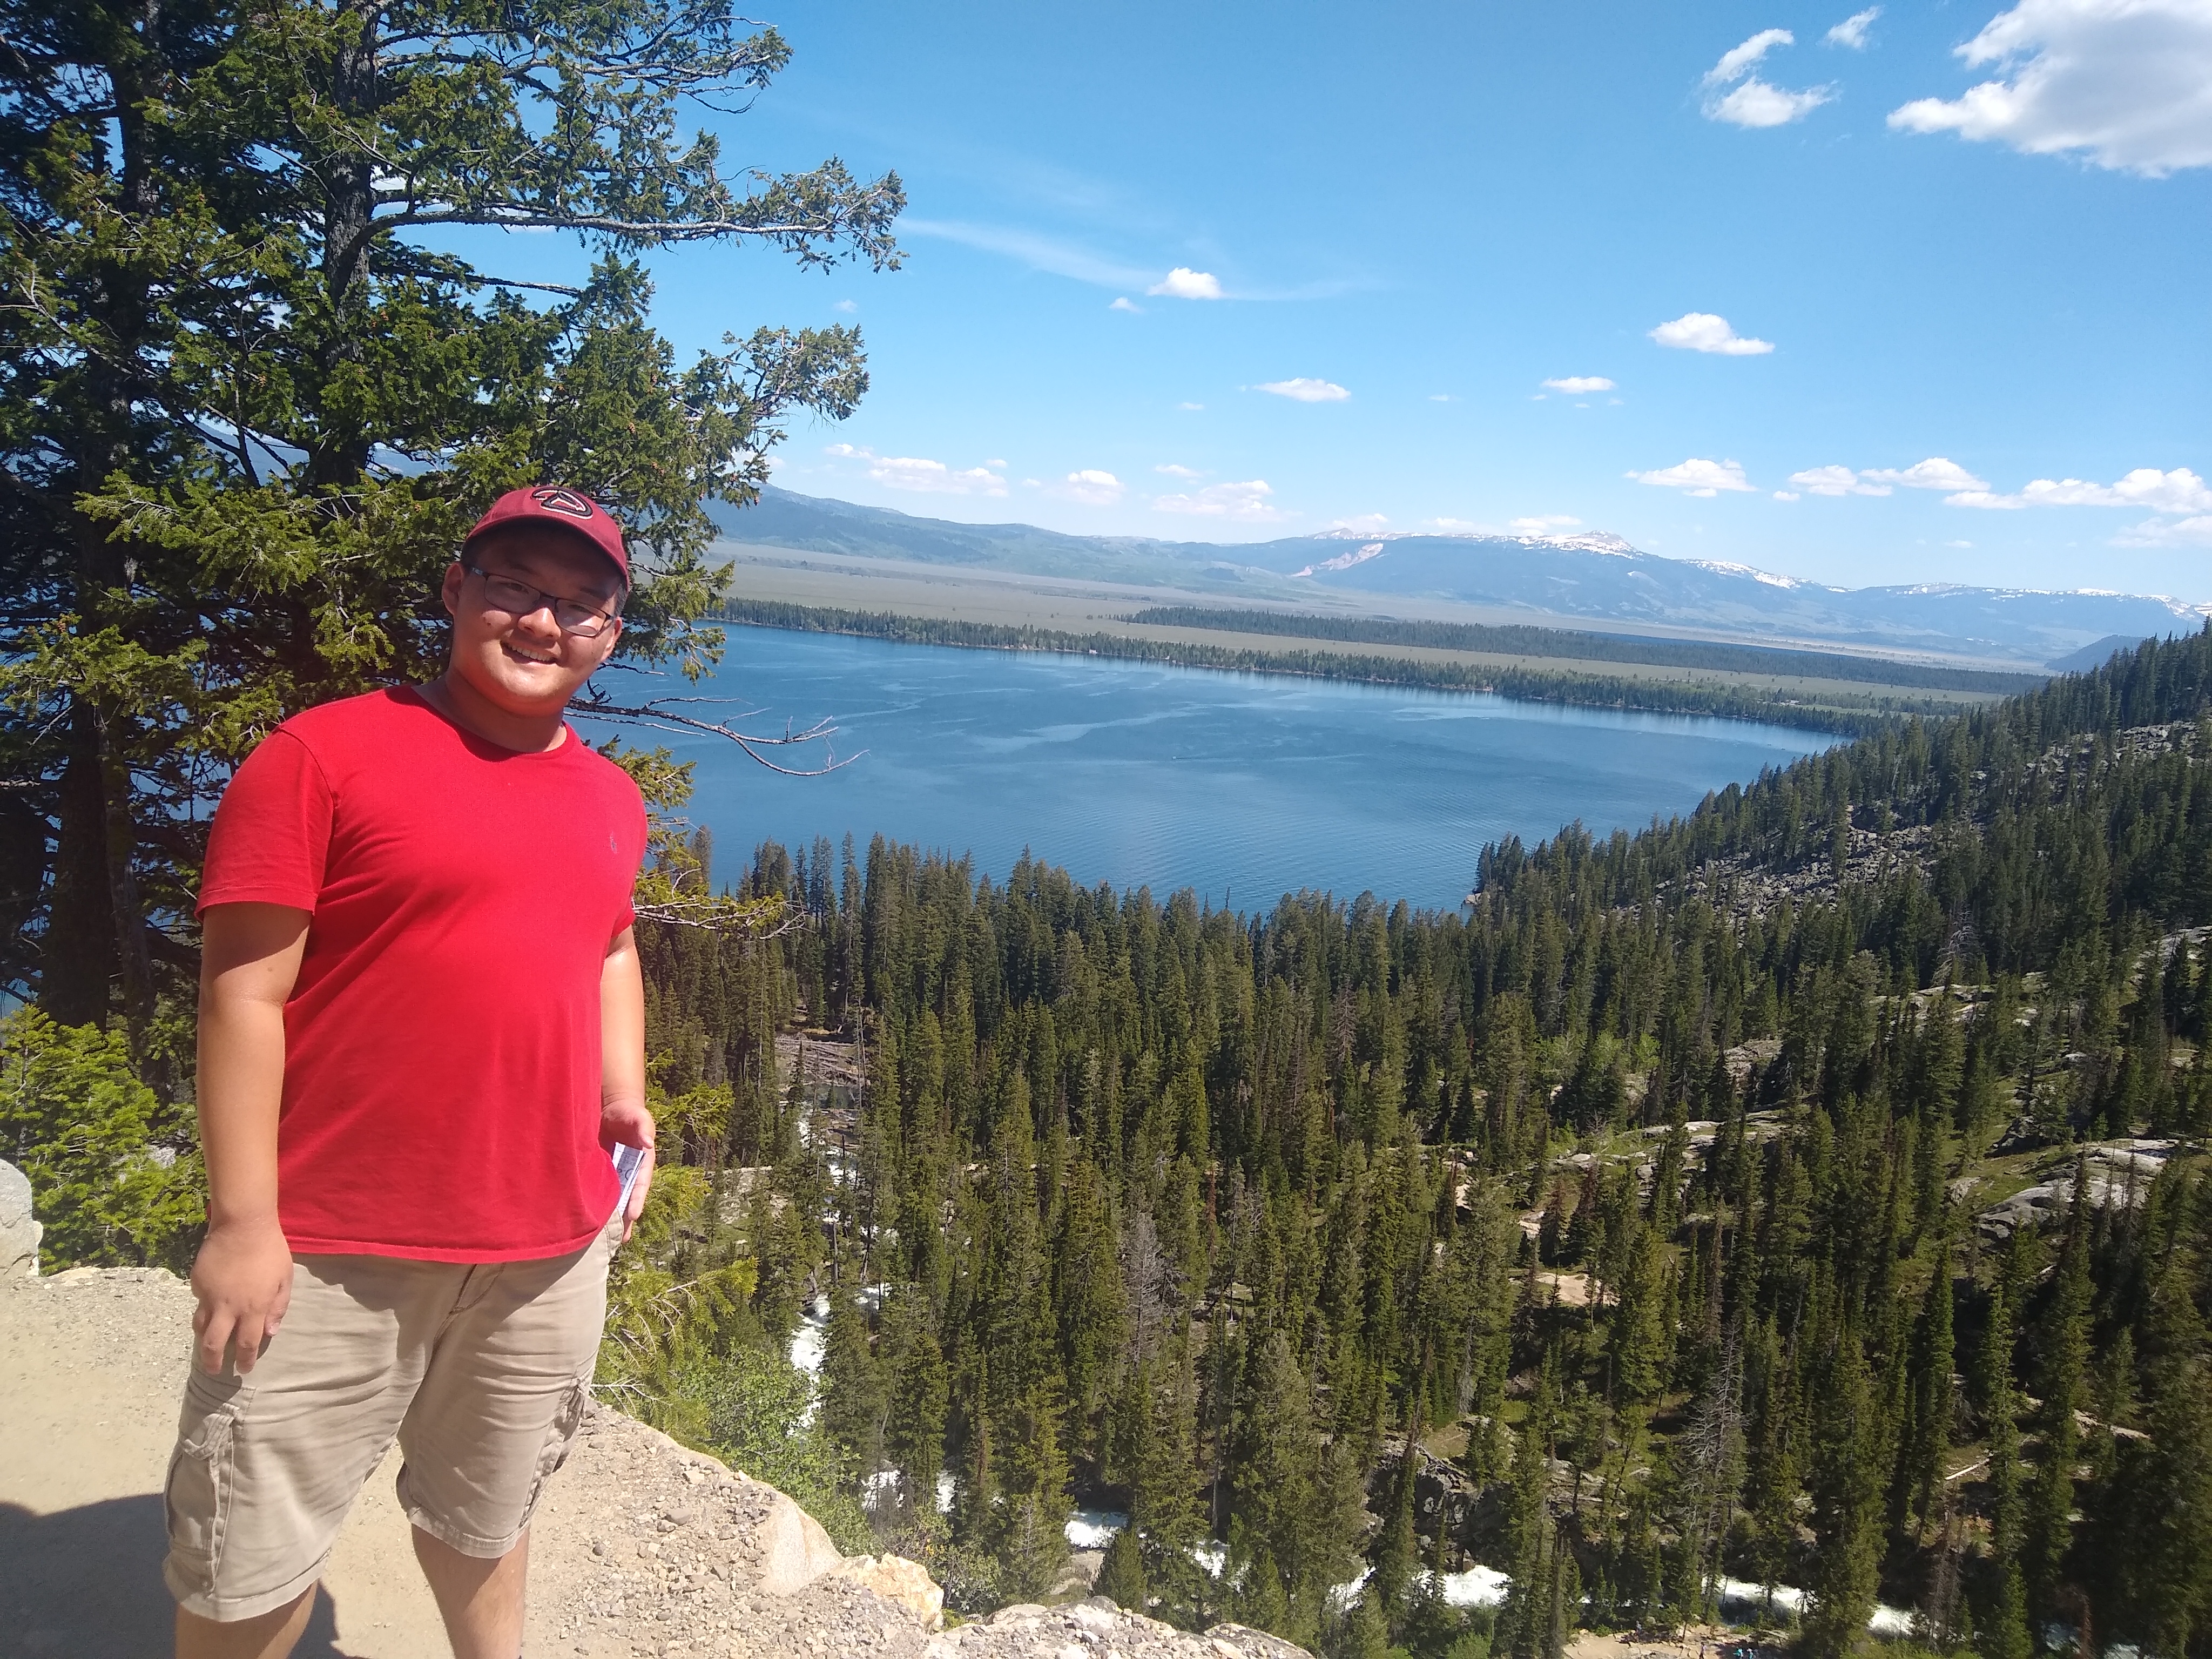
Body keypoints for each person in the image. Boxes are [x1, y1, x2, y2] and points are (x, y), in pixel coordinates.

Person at [167, 486, 659, 1659]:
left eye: (580, 604)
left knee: (487, 1516)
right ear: (454, 592)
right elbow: (243, 993)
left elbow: (610, 942)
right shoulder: (322, 756)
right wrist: (244, 1221)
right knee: (251, 1557)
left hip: (544, 1245)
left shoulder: (607, 796)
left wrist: (620, 1092)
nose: (545, 623)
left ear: (611, 635)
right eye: (516, 588)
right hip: (334, 1244)